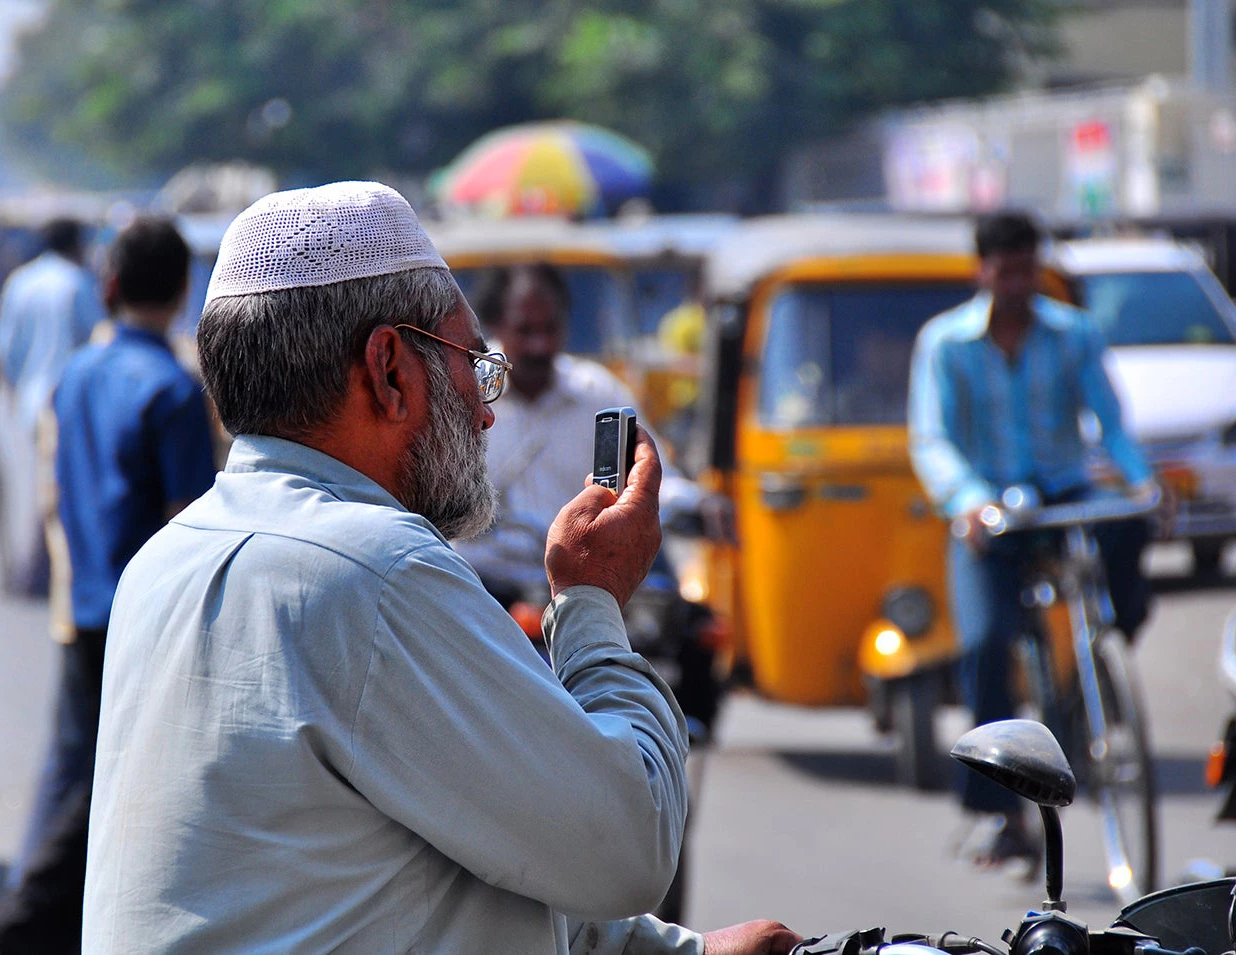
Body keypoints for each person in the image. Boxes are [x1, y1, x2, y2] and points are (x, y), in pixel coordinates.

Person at [83, 182, 798, 954]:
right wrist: (592, 602)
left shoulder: (163, 562)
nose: (485, 408)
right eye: (469, 362)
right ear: (390, 368)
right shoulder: (374, 571)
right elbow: (627, 845)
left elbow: (410, 868)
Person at [0, 217, 216, 955]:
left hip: (80, 599)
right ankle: (21, 926)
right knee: (112, 775)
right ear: (181, 292)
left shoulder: (75, 374)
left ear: (108, 286)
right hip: (145, 615)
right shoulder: (174, 389)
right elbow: (190, 520)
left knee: (70, 765)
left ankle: (30, 906)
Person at [908, 210, 1160, 868]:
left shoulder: (1073, 333)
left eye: (1028, 268)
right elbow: (932, 439)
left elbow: (1111, 421)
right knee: (986, 641)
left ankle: (1106, 644)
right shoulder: (946, 342)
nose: (1017, 282)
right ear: (982, 269)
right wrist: (969, 501)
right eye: (1005, 269)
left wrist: (1140, 481)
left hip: (1060, 491)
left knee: (1128, 522)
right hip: (989, 510)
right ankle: (1000, 812)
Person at [454, 263, 655, 601]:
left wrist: (699, 503)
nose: (539, 346)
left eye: (549, 329)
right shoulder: (463, 391)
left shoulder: (598, 393)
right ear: (496, 326)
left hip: (580, 588)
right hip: (482, 593)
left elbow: (652, 481)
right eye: (525, 330)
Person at [0, 218, 108, 593]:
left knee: (42, 481)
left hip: (30, 401)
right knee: (61, 485)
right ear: (75, 245)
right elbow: (98, 341)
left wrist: (16, 392)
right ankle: (42, 572)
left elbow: (0, 352)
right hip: (69, 399)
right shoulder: (79, 282)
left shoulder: (20, 282)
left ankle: (34, 570)